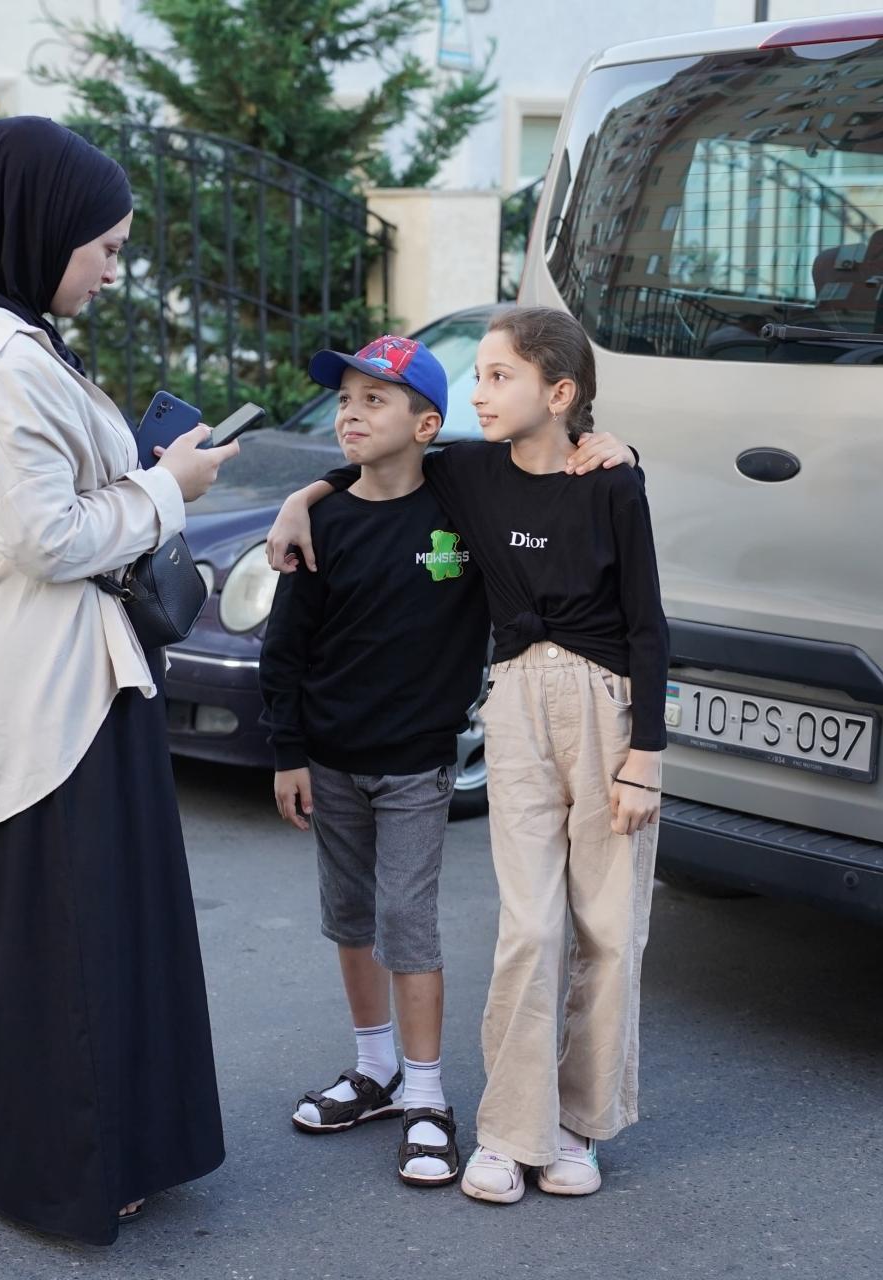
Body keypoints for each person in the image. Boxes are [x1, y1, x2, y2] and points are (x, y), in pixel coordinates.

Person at [0, 116, 237, 1246]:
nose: (111, 267)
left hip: (62, 680)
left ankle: (111, 1152)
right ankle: (70, 1174)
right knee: (76, 943)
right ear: (41, 230)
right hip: (51, 695)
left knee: (72, 936)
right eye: (103, 246)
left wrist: (140, 480)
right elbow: (46, 539)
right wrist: (168, 485)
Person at [266, 305, 663, 1207]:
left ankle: (542, 1116)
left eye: (497, 375)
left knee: (592, 931)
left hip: (564, 718)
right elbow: (376, 469)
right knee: (502, 928)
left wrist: (620, 449)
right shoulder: (455, 476)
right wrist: (303, 495)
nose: (482, 390)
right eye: (477, 376)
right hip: (462, 718)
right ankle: (470, 1109)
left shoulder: (548, 482)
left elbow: (644, 612)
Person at [257, 335, 485, 1188]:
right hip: (331, 758)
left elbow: (525, 456)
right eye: (345, 399)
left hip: (419, 764)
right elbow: (286, 649)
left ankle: (429, 1097)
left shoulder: (463, 509)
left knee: (407, 920)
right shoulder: (324, 521)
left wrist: (618, 450)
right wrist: (288, 754)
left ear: (426, 423)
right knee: (350, 916)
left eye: (374, 400)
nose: (351, 412)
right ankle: (378, 1070)